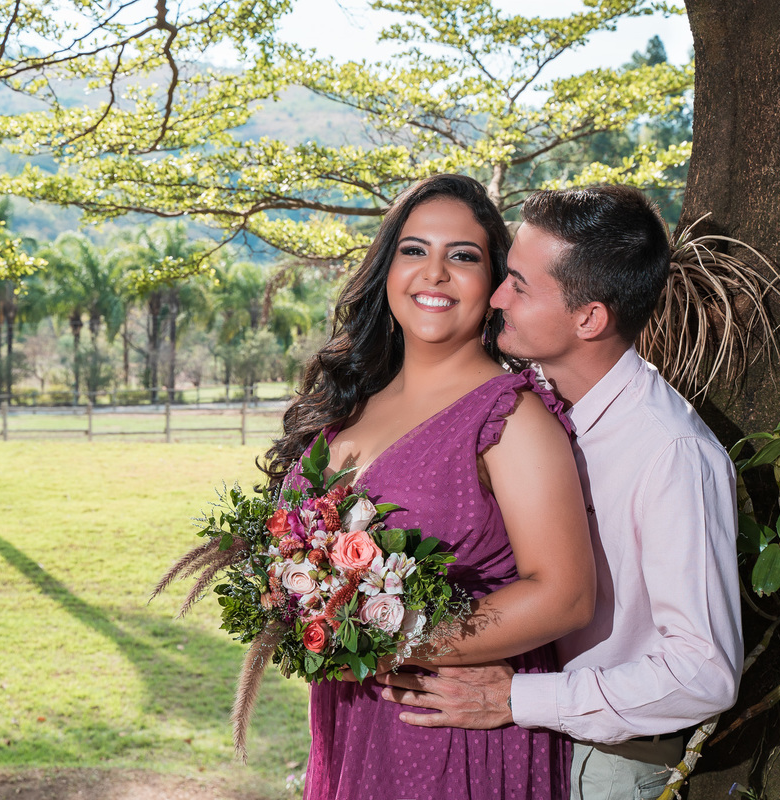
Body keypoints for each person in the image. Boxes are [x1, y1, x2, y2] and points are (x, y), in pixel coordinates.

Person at [377, 185, 745, 800]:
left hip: (604, 761)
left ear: (589, 318)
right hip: (514, 735)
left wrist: (518, 696)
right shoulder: (525, 403)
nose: (496, 296)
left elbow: (703, 673)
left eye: (518, 285)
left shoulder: (670, 454)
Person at [263, 174, 596, 799]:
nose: (434, 273)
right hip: (349, 717)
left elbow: (565, 595)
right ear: (388, 268)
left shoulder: (511, 418)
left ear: (495, 283)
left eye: (462, 257)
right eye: (414, 250)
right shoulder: (350, 406)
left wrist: (393, 639)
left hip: (451, 726)